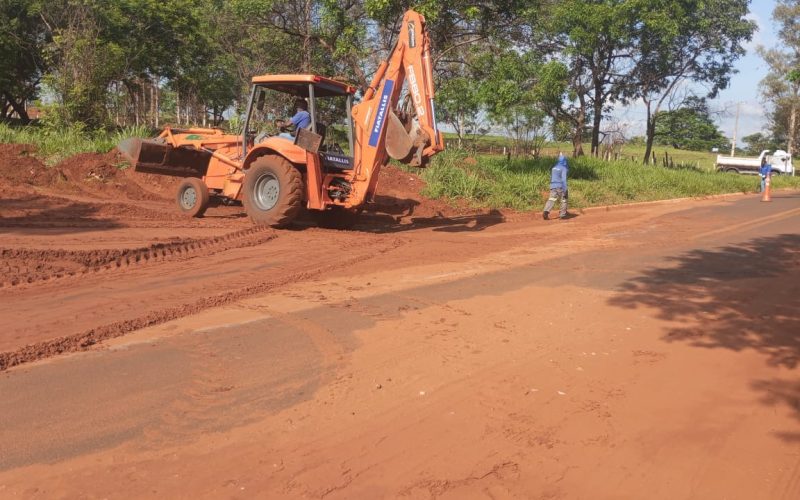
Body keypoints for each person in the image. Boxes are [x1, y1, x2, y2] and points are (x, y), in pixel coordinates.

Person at [543, 153, 569, 220]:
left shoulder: (554, 168)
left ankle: (546, 211)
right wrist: (565, 189)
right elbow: (564, 179)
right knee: (564, 199)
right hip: (560, 185)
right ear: (564, 161)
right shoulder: (563, 168)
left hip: (552, 185)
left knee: (551, 199)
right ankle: (562, 214)